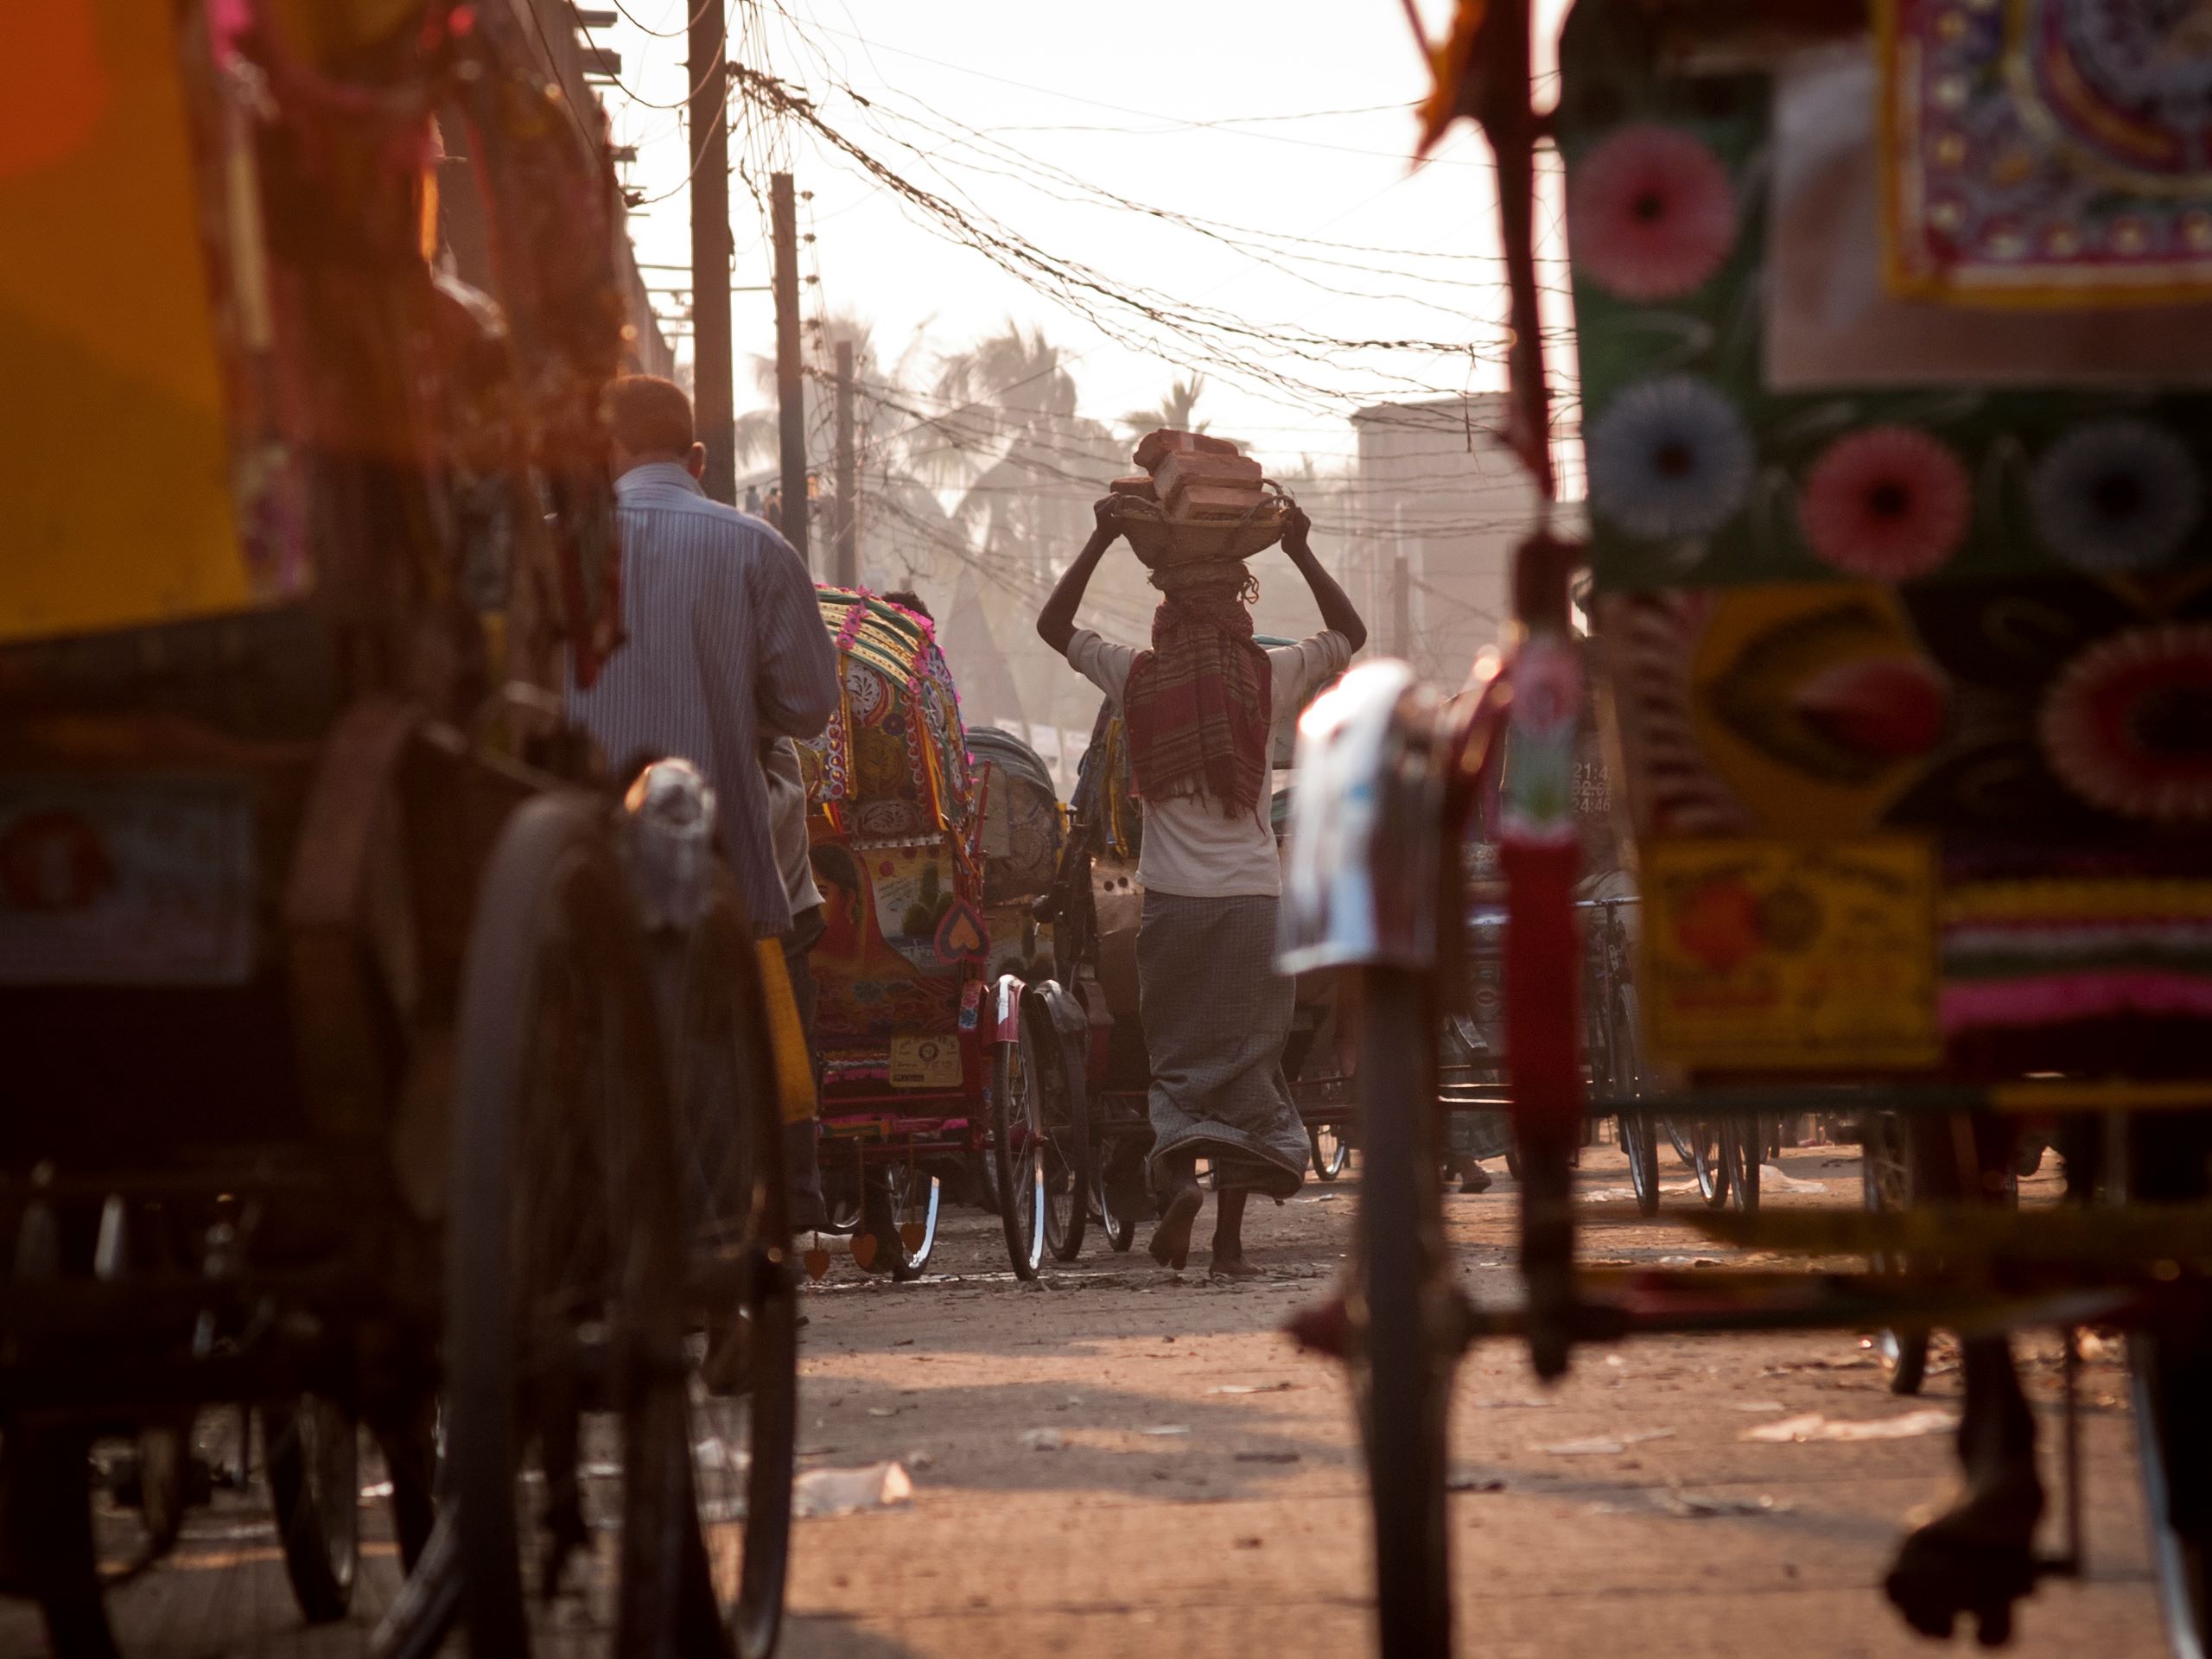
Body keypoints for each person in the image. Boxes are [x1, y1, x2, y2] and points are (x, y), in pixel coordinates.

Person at [1037, 500, 1366, 1276]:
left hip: (1174, 907)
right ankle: (1227, 1246)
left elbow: (1056, 627)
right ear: (1234, 608)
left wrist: (1102, 536)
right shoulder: (1268, 674)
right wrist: (1302, 552)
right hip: (1255, 904)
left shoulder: (1136, 676)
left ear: (1168, 611)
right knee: (1249, 1069)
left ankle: (1179, 1179)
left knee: (1180, 1067)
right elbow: (1348, 633)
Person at [569, 375, 840, 1217]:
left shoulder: (548, 551)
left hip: (577, 875)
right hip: (718, 877)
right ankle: (715, 1256)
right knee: (713, 1080)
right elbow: (808, 706)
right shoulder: (755, 548)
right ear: (696, 458)